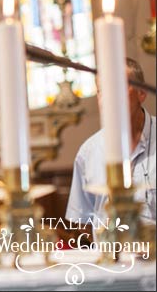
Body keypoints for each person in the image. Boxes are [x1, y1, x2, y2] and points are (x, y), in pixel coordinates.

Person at [66, 57, 156, 233]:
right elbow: (82, 224)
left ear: (142, 93)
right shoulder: (88, 153)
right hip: (109, 258)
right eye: (101, 91)